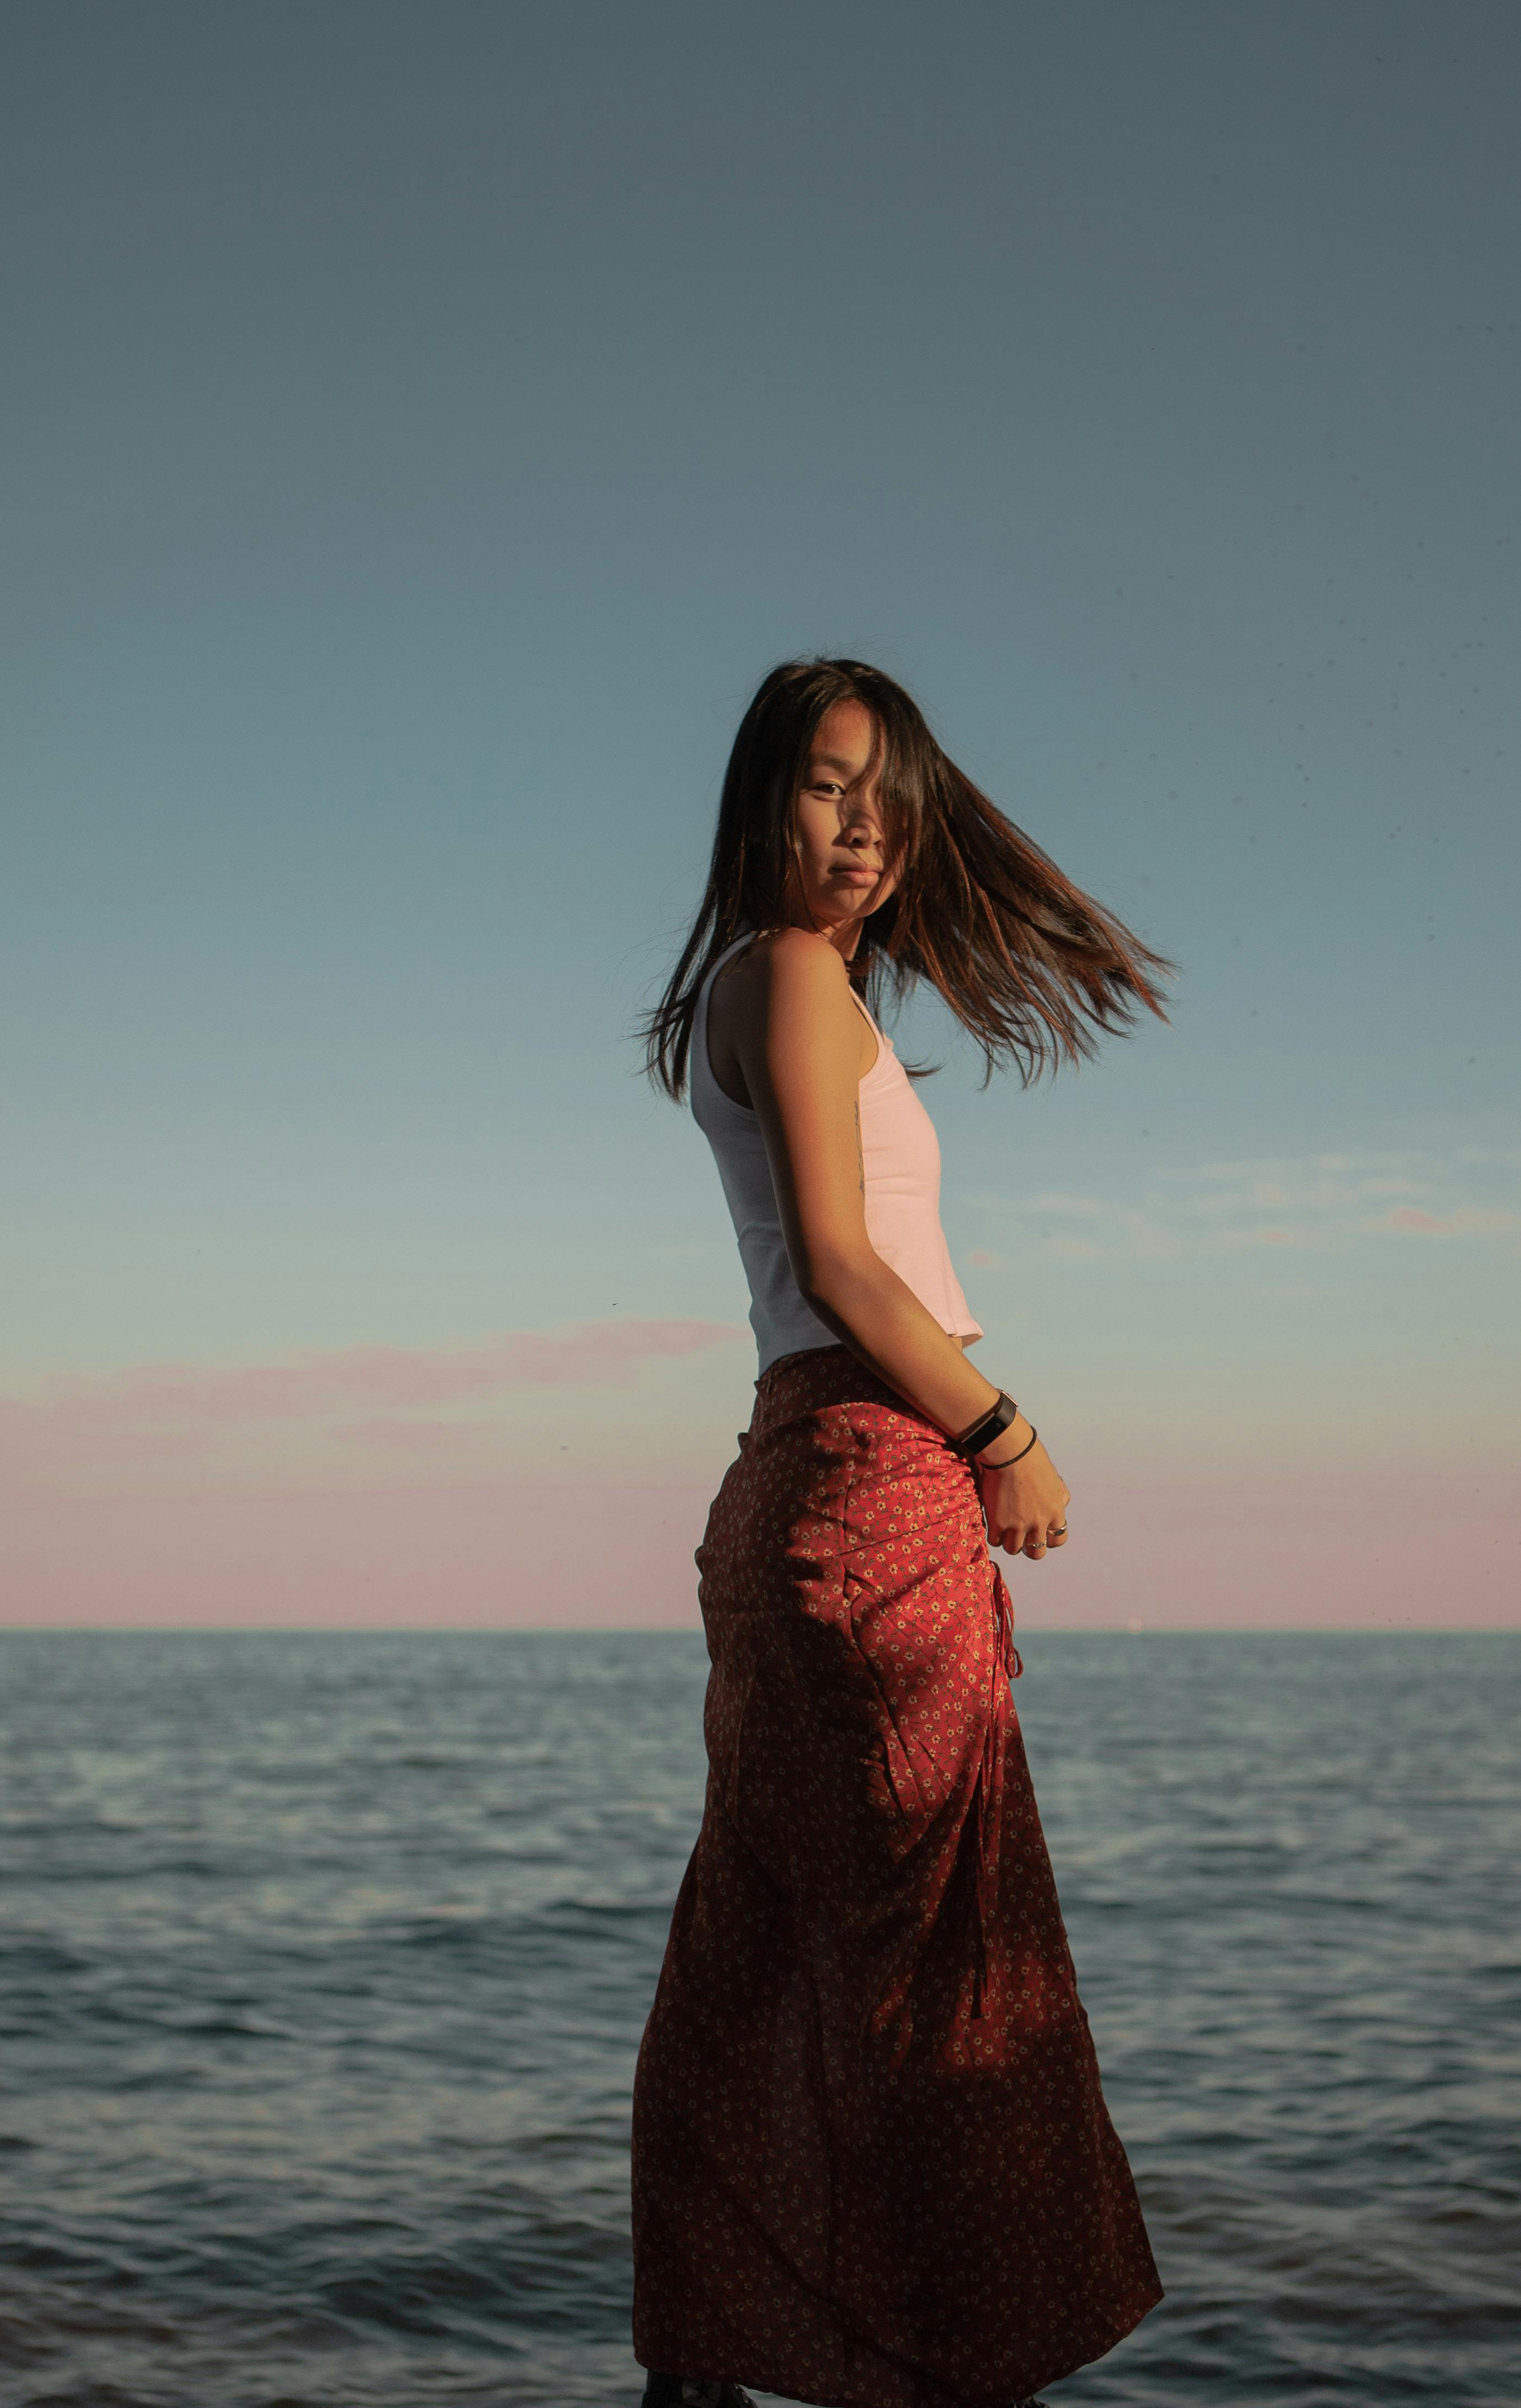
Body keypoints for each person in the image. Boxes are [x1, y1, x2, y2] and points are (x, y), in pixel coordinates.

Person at [631, 659, 1170, 2408]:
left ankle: (707, 2363)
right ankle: (928, 2364)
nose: (861, 826)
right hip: (871, 1477)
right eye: (822, 785)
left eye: (885, 794)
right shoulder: (785, 976)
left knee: (771, 1944)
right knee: (947, 1989)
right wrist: (1006, 1434)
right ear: (758, 803)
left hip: (805, 1483)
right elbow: (849, 1265)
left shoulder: (794, 987)